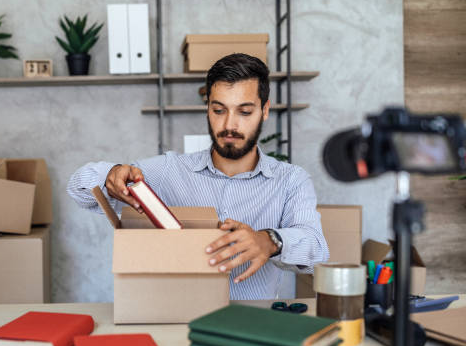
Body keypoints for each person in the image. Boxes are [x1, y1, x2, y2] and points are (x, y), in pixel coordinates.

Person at [67, 53, 328, 300]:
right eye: (219, 110)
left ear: (265, 110)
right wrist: (111, 175)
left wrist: (271, 240)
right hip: (179, 320)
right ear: (207, 109)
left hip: (252, 325)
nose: (229, 125)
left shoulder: (291, 180)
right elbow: (78, 188)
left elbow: (317, 251)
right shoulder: (170, 171)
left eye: (245, 112)